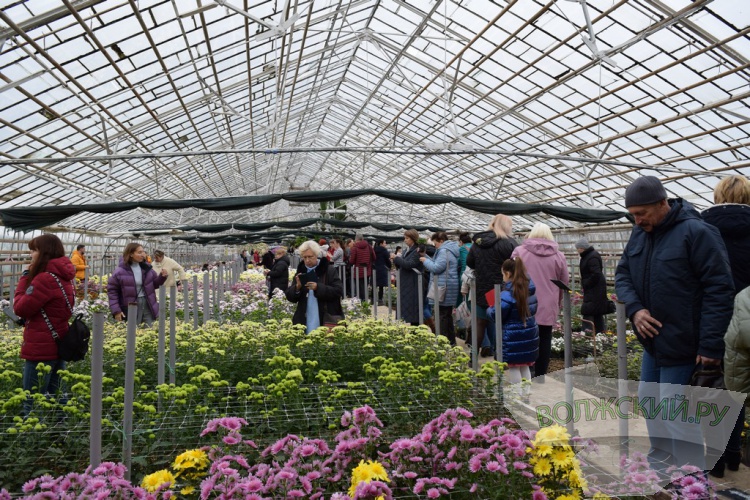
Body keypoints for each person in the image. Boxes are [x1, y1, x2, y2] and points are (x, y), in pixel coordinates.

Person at [615, 175, 735, 472]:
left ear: (662, 203)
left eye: (642, 213)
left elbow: (719, 289)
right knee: (649, 402)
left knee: (674, 412)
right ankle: (662, 471)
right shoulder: (640, 234)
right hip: (653, 344)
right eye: (633, 215)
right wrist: (635, 309)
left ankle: (691, 481)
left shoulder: (696, 232)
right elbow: (623, 275)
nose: (637, 220)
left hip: (685, 342)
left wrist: (710, 345)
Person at [702, 174, 750, 477]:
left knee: (715, 389)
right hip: (747, 321)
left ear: (717, 196)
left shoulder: (703, 228)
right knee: (739, 387)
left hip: (714, 319)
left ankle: (717, 459)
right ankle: (734, 455)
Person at [13, 234, 76, 416]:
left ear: (44, 252)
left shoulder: (44, 279)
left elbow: (20, 308)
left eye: (34, 250)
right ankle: (61, 429)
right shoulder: (63, 276)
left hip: (40, 346)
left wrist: (25, 277)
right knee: (58, 396)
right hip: (58, 341)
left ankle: (33, 431)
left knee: (32, 399)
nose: (31, 254)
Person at [511, 223, 568, 380]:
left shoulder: (519, 252)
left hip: (524, 301)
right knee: (545, 338)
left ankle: (526, 371)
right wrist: (558, 302)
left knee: (524, 337)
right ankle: (541, 374)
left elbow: (510, 276)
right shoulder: (559, 256)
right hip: (548, 303)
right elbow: (564, 282)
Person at [466, 214, 518, 354]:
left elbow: (469, 262)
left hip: (482, 287)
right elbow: (517, 265)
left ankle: (473, 357)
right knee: (501, 323)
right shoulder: (509, 243)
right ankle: (499, 356)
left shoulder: (478, 243)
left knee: (480, 322)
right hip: (503, 288)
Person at [488, 257, 538, 400]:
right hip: (528, 333)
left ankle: (517, 396)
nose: (502, 277)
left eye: (503, 274)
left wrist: (490, 308)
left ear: (508, 273)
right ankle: (526, 394)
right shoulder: (529, 290)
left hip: (512, 335)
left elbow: (497, 314)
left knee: (514, 367)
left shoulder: (507, 294)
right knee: (525, 365)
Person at [285, 240, 344, 333]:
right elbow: (290, 297)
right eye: (304, 257)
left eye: (310, 257)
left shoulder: (328, 270)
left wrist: (318, 288)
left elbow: (338, 291)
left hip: (325, 316)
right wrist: (297, 287)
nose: (307, 260)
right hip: (304, 317)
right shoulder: (301, 271)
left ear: (316, 255)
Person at [107, 243, 168, 326]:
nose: (143, 255)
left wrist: (162, 277)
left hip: (147, 303)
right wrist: (116, 310)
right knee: (132, 329)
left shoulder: (147, 268)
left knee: (149, 327)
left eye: (143, 252)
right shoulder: (120, 272)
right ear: (131, 254)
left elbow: (154, 285)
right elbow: (112, 292)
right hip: (130, 305)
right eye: (139, 252)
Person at [420, 232, 459, 345]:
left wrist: (425, 261)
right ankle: (451, 342)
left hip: (444, 287)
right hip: (448, 286)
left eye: (435, 243)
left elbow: (437, 268)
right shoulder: (449, 249)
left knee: (442, 316)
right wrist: (426, 256)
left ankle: (443, 342)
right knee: (447, 316)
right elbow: (439, 263)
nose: (435, 246)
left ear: (441, 241)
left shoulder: (444, 251)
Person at [575, 237, 608, 333]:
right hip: (594, 289)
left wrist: (586, 283)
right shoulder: (589, 255)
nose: (577, 250)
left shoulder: (592, 257)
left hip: (594, 289)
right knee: (596, 312)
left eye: (578, 248)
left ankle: (587, 332)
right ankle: (599, 333)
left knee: (589, 310)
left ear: (582, 248)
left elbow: (596, 274)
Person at [392, 229, 424, 326]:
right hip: (406, 283)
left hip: (413, 283)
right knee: (408, 308)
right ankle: (413, 329)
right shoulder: (407, 250)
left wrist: (396, 258)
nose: (405, 240)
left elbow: (410, 264)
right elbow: (402, 264)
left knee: (414, 309)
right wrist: (396, 261)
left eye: (407, 238)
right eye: (404, 238)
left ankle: (416, 329)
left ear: (413, 239)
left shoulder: (417, 251)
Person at [348, 234, 376, 301]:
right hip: (367, 269)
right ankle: (365, 301)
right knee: (365, 286)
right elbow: (374, 257)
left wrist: (350, 261)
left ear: (356, 239)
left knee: (359, 287)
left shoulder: (355, 248)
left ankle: (361, 301)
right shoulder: (369, 246)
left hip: (358, 271)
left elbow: (352, 261)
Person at [373, 240, 391, 305]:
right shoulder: (384, 251)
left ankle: (372, 299)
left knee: (374, 284)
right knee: (381, 286)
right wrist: (389, 266)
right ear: (381, 244)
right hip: (382, 269)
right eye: (385, 243)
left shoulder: (374, 250)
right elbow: (388, 260)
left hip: (375, 269)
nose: (385, 244)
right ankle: (380, 300)